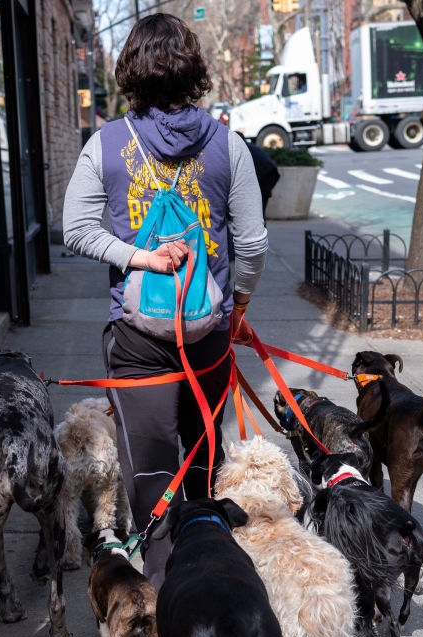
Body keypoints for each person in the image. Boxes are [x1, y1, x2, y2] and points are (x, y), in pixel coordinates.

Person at [62, 13, 269, 589]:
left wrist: (139, 258)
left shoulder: (105, 145)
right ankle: (214, 580)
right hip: (209, 333)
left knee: (151, 471)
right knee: (202, 461)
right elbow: (252, 244)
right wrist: (238, 307)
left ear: (130, 71)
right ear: (193, 69)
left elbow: (75, 229)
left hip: (137, 340)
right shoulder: (229, 144)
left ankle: (162, 589)